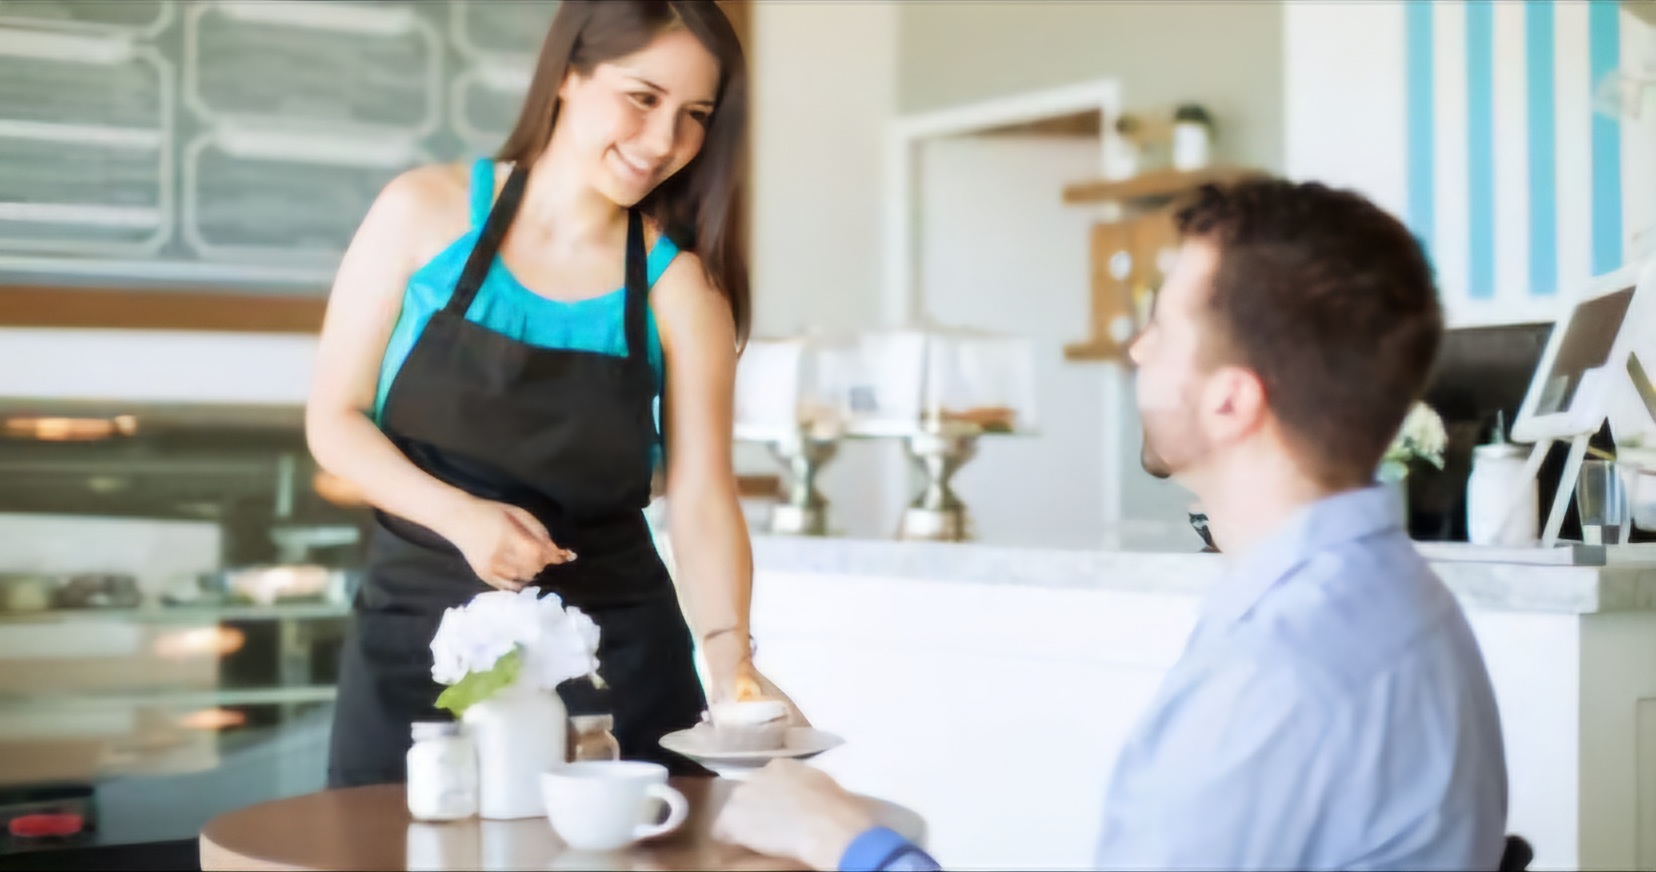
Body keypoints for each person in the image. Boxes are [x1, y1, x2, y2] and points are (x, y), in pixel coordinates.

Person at [714, 178, 1510, 870]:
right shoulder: (1399, 601)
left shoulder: (1280, 673)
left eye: (1160, 326)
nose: (1137, 349)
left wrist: (854, 844)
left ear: (1231, 401)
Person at [307, 0, 798, 787]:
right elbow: (334, 422)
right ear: (568, 74)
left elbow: (703, 492)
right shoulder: (422, 215)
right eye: (642, 97)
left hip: (619, 658)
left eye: (694, 114)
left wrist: (732, 663)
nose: (664, 141)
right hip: (417, 643)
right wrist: (459, 516)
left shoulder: (682, 290)